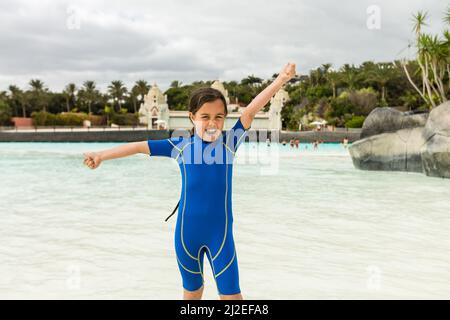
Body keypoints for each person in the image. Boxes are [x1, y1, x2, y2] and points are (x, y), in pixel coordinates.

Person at [83, 62, 297, 300]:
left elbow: (250, 112)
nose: (212, 123)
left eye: (219, 117)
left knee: (232, 298)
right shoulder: (180, 145)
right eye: (205, 117)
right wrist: (101, 155)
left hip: (221, 237)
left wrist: (280, 81)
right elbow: (138, 147)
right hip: (186, 237)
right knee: (192, 295)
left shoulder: (229, 142)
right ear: (192, 117)